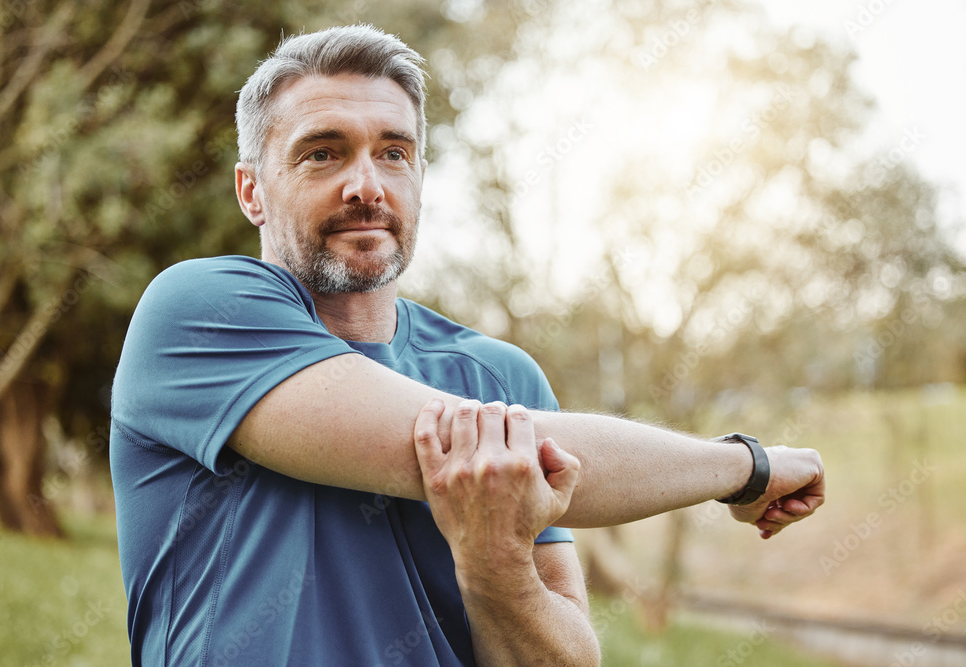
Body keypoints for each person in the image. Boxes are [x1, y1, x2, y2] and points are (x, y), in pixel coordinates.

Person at [109, 24, 825, 666]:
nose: (366, 185)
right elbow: (471, 446)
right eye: (323, 154)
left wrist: (496, 567)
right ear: (251, 190)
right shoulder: (196, 313)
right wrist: (746, 465)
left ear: (419, 177)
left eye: (393, 153)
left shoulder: (501, 373)